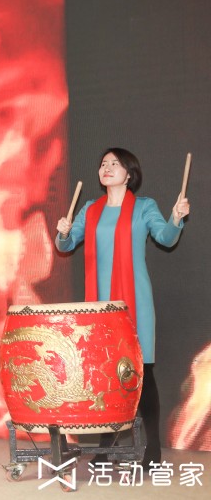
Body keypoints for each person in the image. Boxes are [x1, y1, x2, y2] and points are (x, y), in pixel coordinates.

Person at [55, 148, 190, 467]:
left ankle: (153, 448)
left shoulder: (144, 207)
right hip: (100, 305)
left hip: (135, 302)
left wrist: (176, 218)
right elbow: (66, 244)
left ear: (129, 174)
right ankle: (105, 447)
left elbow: (166, 238)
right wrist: (62, 232)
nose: (107, 167)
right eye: (103, 163)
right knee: (105, 374)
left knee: (141, 373)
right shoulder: (90, 209)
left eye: (114, 163)